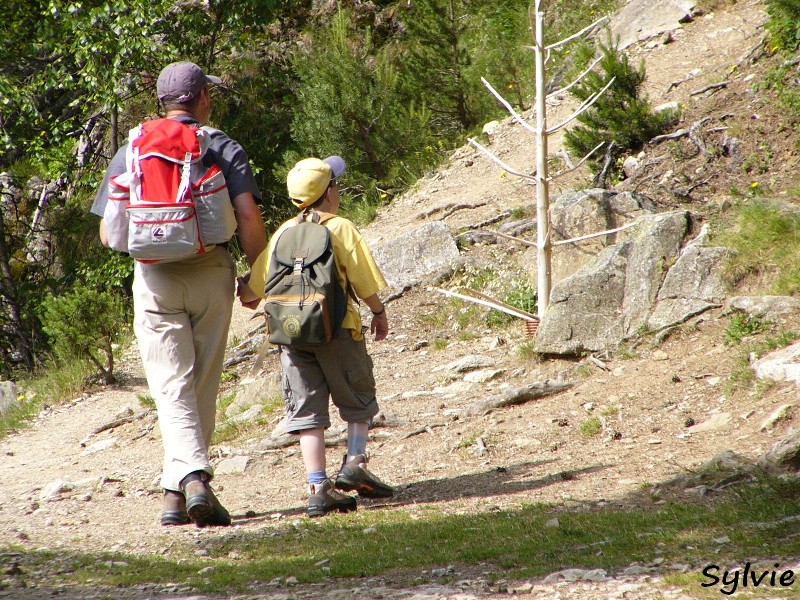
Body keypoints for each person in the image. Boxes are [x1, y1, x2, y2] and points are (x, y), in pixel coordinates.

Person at [91, 61, 267, 527]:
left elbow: (110, 236)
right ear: (202, 99)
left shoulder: (132, 147)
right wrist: (258, 275)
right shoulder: (221, 145)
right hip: (211, 271)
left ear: (162, 101)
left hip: (154, 279)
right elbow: (247, 216)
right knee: (202, 382)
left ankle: (179, 487)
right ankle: (191, 481)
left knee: (171, 386)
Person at [238, 156, 394, 517]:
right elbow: (363, 280)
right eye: (335, 185)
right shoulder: (340, 228)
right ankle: (354, 461)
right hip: (339, 329)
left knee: (307, 410)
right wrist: (379, 311)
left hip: (291, 335)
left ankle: (318, 487)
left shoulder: (282, 233)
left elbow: (252, 293)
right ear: (328, 192)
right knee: (358, 397)